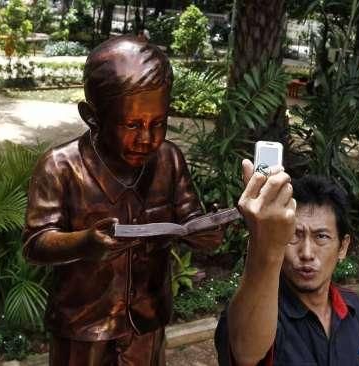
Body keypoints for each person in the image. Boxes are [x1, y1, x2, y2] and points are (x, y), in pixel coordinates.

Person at [23, 35, 223, 366]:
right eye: (132, 124)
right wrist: (84, 242)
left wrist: (205, 233)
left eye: (158, 123)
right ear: (92, 117)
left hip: (146, 323)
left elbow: (190, 218)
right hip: (82, 328)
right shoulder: (60, 167)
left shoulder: (169, 160)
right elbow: (35, 243)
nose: (147, 138)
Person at [215, 161, 359, 366]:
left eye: (321, 236)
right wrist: (264, 241)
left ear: (343, 247)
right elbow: (245, 352)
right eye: (294, 236)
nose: (307, 253)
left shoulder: (357, 312)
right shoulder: (254, 313)